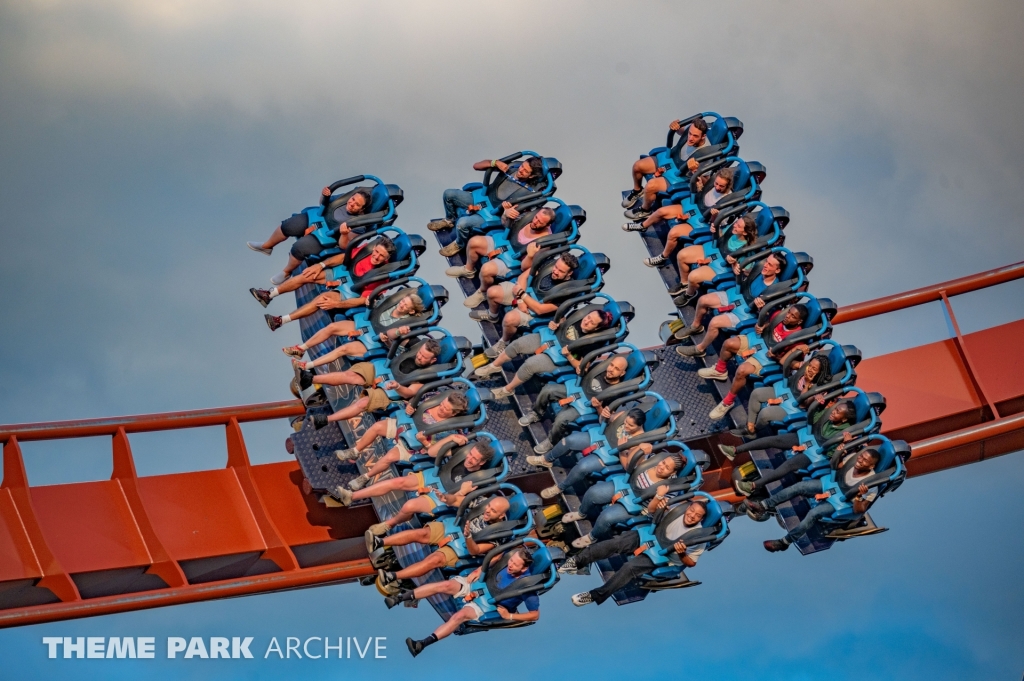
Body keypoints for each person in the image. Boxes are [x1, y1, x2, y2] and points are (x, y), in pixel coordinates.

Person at [677, 304, 810, 421]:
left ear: (799, 321)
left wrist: (777, 357)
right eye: (789, 313)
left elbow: (793, 364)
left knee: (742, 370)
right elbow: (769, 324)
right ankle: (720, 370)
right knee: (728, 343)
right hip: (759, 341)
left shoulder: (798, 339)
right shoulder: (779, 316)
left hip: (769, 358)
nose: (788, 316)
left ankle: (728, 402)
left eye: (793, 316)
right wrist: (762, 328)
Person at [400, 547, 541, 657]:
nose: (510, 565)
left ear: (524, 568)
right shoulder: (509, 556)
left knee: (459, 616)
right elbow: (496, 557)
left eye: (515, 565)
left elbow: (534, 615)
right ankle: (399, 598)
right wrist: (479, 570)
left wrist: (509, 616)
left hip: (486, 605)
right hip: (479, 584)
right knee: (444, 585)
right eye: (511, 561)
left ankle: (422, 644)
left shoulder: (526, 586)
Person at [564, 500, 708, 606]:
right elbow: (652, 512)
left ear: (701, 519)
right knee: (616, 543)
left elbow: (691, 563)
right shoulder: (676, 509)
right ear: (688, 508)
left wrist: (682, 554)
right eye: (692, 510)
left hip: (663, 555)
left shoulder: (698, 537)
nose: (692, 515)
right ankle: (577, 561)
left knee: (629, 568)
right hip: (651, 536)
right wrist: (659, 505)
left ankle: (594, 595)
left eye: (697, 515)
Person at [326, 390, 471, 493]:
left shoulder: (451, 431)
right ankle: (355, 451)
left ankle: (365, 477)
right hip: (405, 426)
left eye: (446, 409)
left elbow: (434, 451)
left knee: (389, 457)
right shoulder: (433, 398)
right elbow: (413, 401)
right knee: (377, 427)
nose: (441, 408)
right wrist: (410, 407)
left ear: (454, 413)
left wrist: (424, 442)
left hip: (413, 446)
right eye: (442, 405)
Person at [745, 448, 882, 552]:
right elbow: (836, 466)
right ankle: (763, 505)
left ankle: (784, 542)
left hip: (841, 502)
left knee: (813, 513)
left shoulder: (871, 485)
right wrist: (838, 454)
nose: (860, 460)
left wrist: (859, 496)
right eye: (861, 456)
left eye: (865, 460)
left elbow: (859, 510)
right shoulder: (853, 459)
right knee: (799, 487)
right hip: (833, 485)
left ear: (871, 466)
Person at [359, 439, 498, 536]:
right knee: (396, 482)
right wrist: (451, 438)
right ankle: (353, 495)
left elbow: (457, 503)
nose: (469, 459)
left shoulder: (480, 481)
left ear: (482, 462)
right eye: (470, 454)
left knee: (409, 506)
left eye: (474, 459)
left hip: (445, 496)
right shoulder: (463, 452)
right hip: (435, 478)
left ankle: (389, 524)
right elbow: (432, 452)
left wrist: (462, 492)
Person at [473, 310, 615, 399]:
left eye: (591, 323)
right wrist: (555, 324)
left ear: (595, 329)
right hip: (550, 338)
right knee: (517, 344)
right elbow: (562, 321)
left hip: (558, 357)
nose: (586, 321)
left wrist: (569, 356)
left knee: (530, 364)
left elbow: (581, 368)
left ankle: (507, 390)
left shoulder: (592, 343)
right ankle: (494, 365)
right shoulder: (576, 316)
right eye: (588, 317)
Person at [263, 237, 397, 331]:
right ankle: (269, 294)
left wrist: (337, 304)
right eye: (376, 251)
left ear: (387, 258)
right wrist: (321, 265)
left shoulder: (382, 276)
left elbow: (362, 299)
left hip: (351, 290)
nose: (376, 256)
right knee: (308, 275)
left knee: (322, 299)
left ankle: (280, 321)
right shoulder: (366, 250)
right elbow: (344, 257)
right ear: (374, 248)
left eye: (381, 256)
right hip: (343, 273)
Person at [724, 400, 858, 492]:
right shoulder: (829, 416)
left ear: (844, 419)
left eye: (838, 412)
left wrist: (843, 444)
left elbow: (830, 454)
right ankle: (735, 450)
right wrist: (817, 406)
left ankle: (753, 486)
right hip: (807, 438)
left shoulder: (844, 434)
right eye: (835, 409)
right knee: (774, 440)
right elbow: (812, 420)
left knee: (789, 465)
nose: (833, 412)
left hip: (815, 453)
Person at [294, 340, 441, 424]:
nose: (419, 357)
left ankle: (325, 420)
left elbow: (410, 392)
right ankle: (309, 379)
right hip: (384, 370)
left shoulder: (428, 375)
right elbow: (395, 335)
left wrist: (397, 386)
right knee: (351, 376)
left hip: (392, 391)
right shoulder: (416, 344)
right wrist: (394, 333)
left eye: (424, 357)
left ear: (433, 360)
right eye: (420, 353)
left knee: (363, 403)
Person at [373, 496, 511, 584]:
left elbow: (475, 550)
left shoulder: (499, 533)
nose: (487, 510)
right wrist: (447, 498)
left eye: (493, 511)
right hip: (455, 528)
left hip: (464, 547)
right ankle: (380, 542)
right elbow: (459, 500)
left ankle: (392, 576)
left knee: (434, 560)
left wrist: (468, 536)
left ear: (501, 515)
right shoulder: (483, 502)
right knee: (422, 533)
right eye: (489, 506)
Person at [247, 188, 371, 284]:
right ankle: (267, 246)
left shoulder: (359, 224)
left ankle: (286, 272)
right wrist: (325, 195)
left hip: (327, 236)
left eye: (357, 204)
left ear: (361, 209)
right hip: (318, 218)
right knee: (288, 225)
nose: (352, 203)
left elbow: (345, 246)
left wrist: (344, 234)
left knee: (299, 247)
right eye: (353, 199)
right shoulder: (343, 200)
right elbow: (323, 203)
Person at [562, 453, 685, 548]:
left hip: (638, 504)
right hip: (628, 487)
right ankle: (581, 513)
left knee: (607, 517)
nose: (661, 467)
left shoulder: (670, 488)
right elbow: (631, 465)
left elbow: (652, 511)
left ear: (673, 472)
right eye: (663, 462)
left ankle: (592, 537)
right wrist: (639, 451)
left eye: (667, 468)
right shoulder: (652, 459)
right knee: (593, 492)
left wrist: (658, 496)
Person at [431, 157, 547, 256]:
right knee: (449, 194)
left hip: (492, 215)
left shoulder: (529, 193)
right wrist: (495, 163)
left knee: (462, 223)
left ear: (531, 176)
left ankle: (459, 244)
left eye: (525, 171)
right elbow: (476, 166)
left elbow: (517, 217)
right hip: (483, 197)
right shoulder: (510, 167)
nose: (521, 170)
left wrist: (507, 211)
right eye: (522, 166)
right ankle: (449, 220)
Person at [532, 407, 654, 500]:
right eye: (626, 422)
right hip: (603, 438)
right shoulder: (623, 415)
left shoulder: (640, 442)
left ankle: (560, 487)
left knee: (583, 467)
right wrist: (603, 413)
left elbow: (628, 467)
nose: (626, 426)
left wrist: (622, 449)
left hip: (611, 456)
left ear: (639, 426)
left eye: (630, 425)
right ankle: (546, 459)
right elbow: (604, 421)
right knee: (569, 440)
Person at [672, 250, 786, 346]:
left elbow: (769, 315)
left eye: (770, 265)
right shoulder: (759, 269)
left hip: (747, 312)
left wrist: (761, 308)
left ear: (777, 270)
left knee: (714, 323)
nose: (765, 265)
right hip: (738, 296)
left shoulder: (774, 290)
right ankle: (695, 326)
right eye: (766, 262)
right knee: (703, 300)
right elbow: (745, 274)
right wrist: (735, 266)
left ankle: (700, 348)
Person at [519, 355, 629, 454]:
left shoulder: (616, 392)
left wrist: (598, 407)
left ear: (622, 373)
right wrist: (580, 370)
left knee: (561, 418)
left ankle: (551, 441)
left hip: (586, 406)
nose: (611, 369)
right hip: (578, 390)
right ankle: (537, 413)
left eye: (616, 369)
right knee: (548, 389)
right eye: (611, 365)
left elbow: (605, 416)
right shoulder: (599, 368)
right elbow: (585, 374)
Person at [470, 251, 579, 351]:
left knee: (509, 319)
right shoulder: (548, 264)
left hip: (534, 310)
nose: (555, 271)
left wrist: (522, 295)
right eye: (556, 267)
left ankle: (504, 342)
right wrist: (520, 299)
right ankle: (492, 315)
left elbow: (540, 309)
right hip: (524, 292)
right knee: (492, 292)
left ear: (569, 273)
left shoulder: (567, 292)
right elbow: (523, 277)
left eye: (560, 271)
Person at [283, 294, 426, 369]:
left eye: (405, 305)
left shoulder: (406, 325)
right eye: (402, 301)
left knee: (343, 349)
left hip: (376, 342)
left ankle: (308, 366)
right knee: (332, 327)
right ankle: (301, 349)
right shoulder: (390, 303)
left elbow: (395, 347)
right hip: (368, 326)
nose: (401, 305)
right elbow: (374, 305)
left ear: (411, 311)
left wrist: (387, 340)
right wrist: (369, 302)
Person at [622, 119, 709, 219]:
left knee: (650, 186)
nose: (690, 138)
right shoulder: (691, 131)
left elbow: (706, 181)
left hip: (681, 176)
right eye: (690, 133)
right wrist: (676, 127)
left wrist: (695, 171)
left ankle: (645, 210)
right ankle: (637, 191)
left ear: (703, 136)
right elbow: (683, 132)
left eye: (695, 136)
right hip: (673, 159)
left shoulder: (706, 154)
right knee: (637, 166)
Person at [665, 214, 758, 307]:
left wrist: (735, 264)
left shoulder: (747, 249)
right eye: (736, 223)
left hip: (721, 267)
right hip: (716, 251)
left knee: (693, 277)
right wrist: (715, 227)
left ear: (745, 233)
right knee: (681, 256)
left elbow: (747, 273)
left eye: (738, 226)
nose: (735, 225)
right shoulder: (732, 229)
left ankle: (689, 294)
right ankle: (684, 283)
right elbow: (722, 236)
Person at [445, 207, 556, 285]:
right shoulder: (527, 218)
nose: (535, 222)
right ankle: (468, 270)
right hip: (505, 242)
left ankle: (483, 291)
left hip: (514, 259)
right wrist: (506, 214)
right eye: (536, 217)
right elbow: (504, 224)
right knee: (474, 242)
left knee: (486, 270)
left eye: (540, 222)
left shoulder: (544, 244)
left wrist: (530, 256)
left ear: (548, 225)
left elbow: (525, 267)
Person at [739, 354, 831, 436]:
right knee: (756, 393)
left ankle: (755, 429)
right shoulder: (804, 366)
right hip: (786, 392)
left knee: (765, 414)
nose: (810, 369)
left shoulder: (820, 388)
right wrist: (780, 355)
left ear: (820, 372)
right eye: (810, 365)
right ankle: (750, 427)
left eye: (814, 369)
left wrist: (807, 383)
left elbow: (803, 403)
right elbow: (784, 361)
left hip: (793, 406)